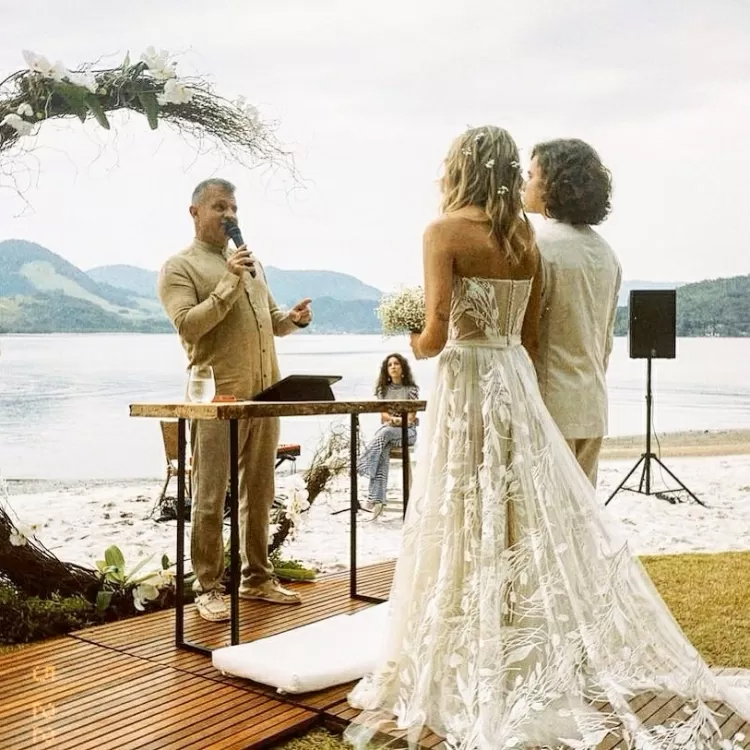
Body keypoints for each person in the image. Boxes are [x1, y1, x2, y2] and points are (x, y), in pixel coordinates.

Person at [342, 126, 749, 749]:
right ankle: (555, 659)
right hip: (571, 401)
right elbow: (553, 336)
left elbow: (455, 329)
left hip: (513, 400)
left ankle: (499, 656)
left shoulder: (483, 235)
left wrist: (415, 332)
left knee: (490, 530)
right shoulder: (577, 249)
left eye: (536, 175)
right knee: (561, 546)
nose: (528, 182)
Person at [158, 178, 313, 622]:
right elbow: (189, 326)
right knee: (209, 496)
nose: (230, 215)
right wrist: (228, 283)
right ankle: (207, 587)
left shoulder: (251, 265)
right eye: (219, 207)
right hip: (217, 397)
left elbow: (270, 323)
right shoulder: (179, 268)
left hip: (267, 397)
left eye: (234, 207)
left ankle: (257, 578)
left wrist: (294, 320)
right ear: (195, 212)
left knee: (260, 492)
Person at [523, 138, 622, 487]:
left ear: (553, 184)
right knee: (582, 517)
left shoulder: (538, 246)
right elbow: (605, 341)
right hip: (592, 403)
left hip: (550, 404)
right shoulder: (606, 254)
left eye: (531, 174)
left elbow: (528, 335)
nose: (524, 182)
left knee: (548, 523)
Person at [357, 353, 419, 515]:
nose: (393, 367)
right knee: (382, 452)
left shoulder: (411, 390)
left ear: (402, 367)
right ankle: (375, 498)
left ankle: (364, 463)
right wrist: (393, 420)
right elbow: (383, 415)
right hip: (389, 432)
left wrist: (398, 421)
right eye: (390, 365)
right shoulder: (383, 391)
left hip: (407, 432)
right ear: (386, 369)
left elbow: (411, 417)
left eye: (396, 364)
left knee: (384, 433)